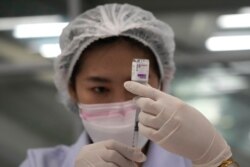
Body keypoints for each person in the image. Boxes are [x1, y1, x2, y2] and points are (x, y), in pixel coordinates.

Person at [20, 3, 239, 167]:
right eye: (100, 89)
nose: (121, 104)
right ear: (71, 90)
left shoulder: (195, 160)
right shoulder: (40, 163)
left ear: (162, 85)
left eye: (137, 87)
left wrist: (217, 160)